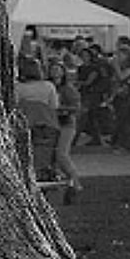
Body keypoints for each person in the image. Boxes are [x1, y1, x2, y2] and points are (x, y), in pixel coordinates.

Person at [47, 58, 84, 192]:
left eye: (58, 69)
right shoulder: (47, 86)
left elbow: (76, 107)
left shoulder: (68, 89)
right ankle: (58, 182)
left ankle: (75, 181)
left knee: (62, 154)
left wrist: (61, 109)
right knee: (51, 155)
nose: (55, 72)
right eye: (52, 69)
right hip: (51, 123)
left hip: (66, 123)